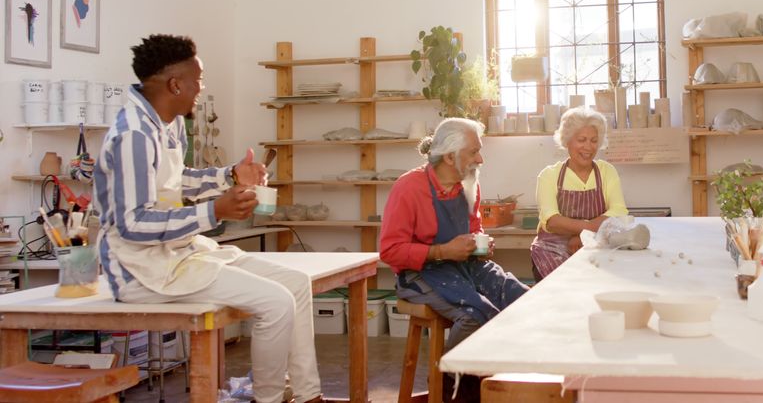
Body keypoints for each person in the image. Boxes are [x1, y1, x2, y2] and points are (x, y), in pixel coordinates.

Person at [93, 34, 323, 403]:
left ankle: (310, 396)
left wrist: (230, 175)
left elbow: (175, 180)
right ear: (175, 84)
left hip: (174, 255)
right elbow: (132, 225)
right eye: (198, 79)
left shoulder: (164, 125)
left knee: (297, 284)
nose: (201, 88)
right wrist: (213, 211)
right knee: (276, 303)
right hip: (139, 271)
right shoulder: (132, 135)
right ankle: (270, 399)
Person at [379, 117, 528, 349]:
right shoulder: (408, 188)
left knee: (523, 300)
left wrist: (481, 244)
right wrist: (442, 251)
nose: (480, 159)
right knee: (475, 316)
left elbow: (474, 227)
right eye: (473, 152)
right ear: (450, 157)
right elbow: (390, 251)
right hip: (420, 274)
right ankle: (450, 384)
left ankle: (495, 376)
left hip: (465, 267)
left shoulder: (470, 184)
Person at [530, 106, 628, 280]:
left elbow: (618, 212)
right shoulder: (549, 176)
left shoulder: (607, 171)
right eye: (581, 140)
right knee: (565, 289)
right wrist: (588, 230)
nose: (588, 147)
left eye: (593, 140)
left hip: (596, 246)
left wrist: (584, 237)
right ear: (567, 141)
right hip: (552, 250)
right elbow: (552, 221)